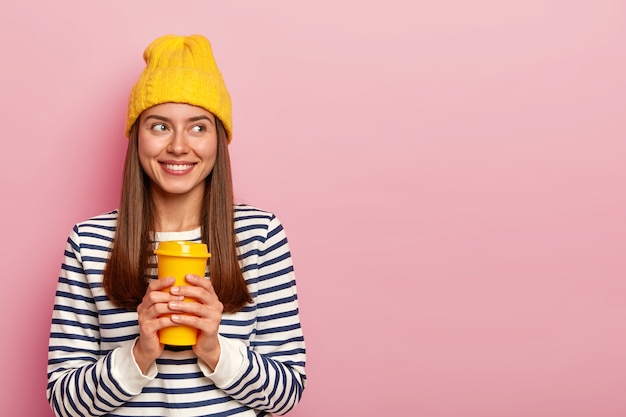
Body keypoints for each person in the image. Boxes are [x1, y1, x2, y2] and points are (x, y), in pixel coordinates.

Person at [47, 34, 306, 417]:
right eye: (160, 126)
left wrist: (214, 349)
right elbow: (63, 403)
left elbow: (287, 394)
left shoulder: (259, 234)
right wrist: (139, 352)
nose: (180, 146)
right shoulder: (90, 242)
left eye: (199, 127)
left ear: (219, 139)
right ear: (137, 137)